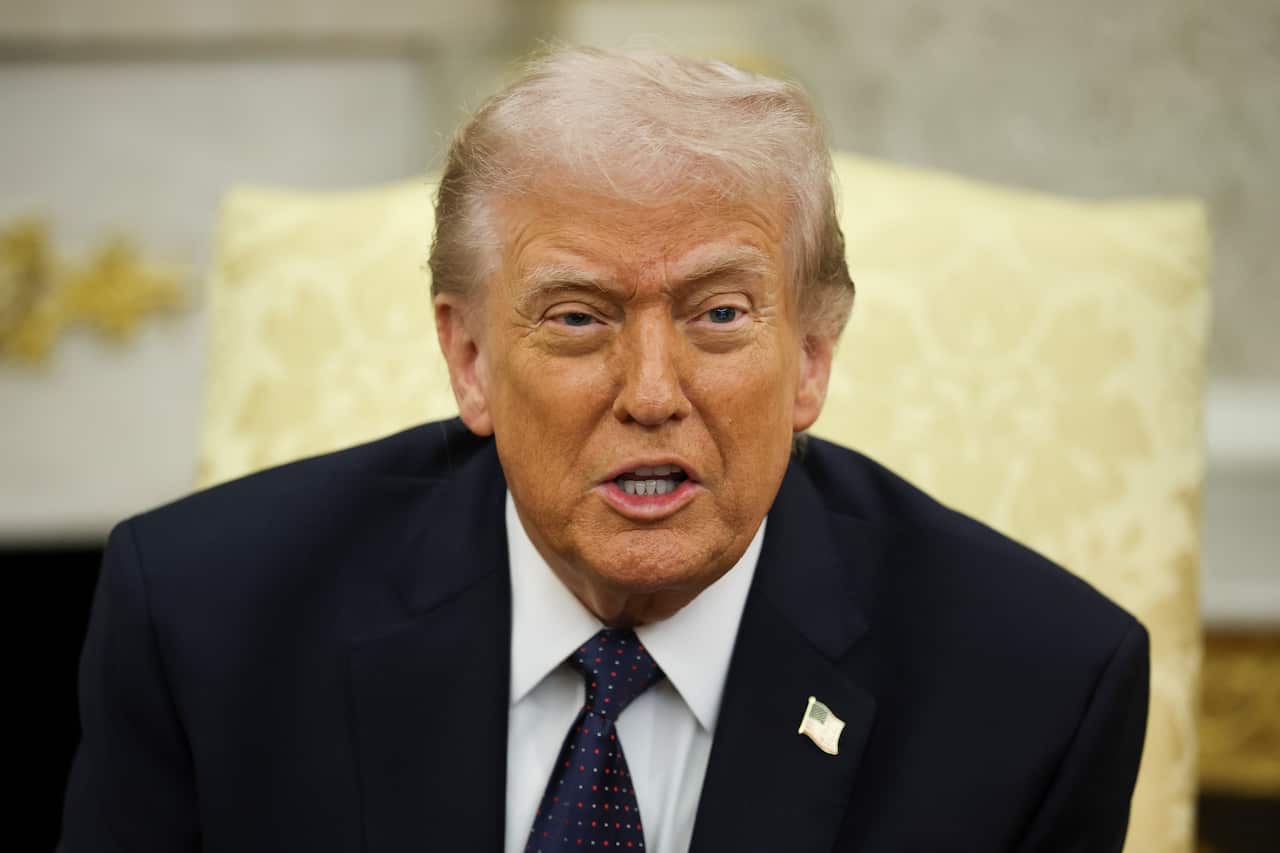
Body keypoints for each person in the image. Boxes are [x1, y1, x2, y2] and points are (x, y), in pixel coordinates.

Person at [59, 47, 1149, 853]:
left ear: (811, 358)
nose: (652, 394)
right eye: (578, 317)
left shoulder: (1036, 690)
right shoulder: (202, 622)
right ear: (470, 358)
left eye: (719, 314)